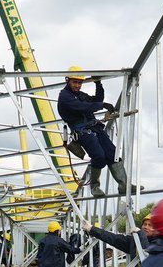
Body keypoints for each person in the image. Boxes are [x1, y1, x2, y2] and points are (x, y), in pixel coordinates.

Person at [57, 66, 136, 198]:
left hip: (95, 128)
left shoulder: (80, 95)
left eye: (80, 83)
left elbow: (96, 100)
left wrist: (98, 84)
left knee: (112, 154)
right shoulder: (64, 97)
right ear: (68, 81)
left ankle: (124, 185)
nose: (77, 85)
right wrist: (102, 105)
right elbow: (80, 107)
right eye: (74, 82)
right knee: (99, 156)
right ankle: (95, 187)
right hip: (82, 131)